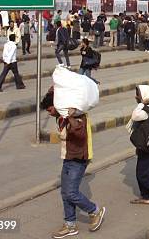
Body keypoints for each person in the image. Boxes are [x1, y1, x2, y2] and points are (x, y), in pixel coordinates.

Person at [40, 89, 106, 238]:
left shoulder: (77, 116)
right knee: (65, 192)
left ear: (56, 106)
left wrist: (70, 117)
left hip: (78, 159)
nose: (49, 113)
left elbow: (79, 133)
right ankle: (70, 225)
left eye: (50, 109)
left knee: (71, 192)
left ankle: (95, 211)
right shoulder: (61, 117)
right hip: (68, 158)